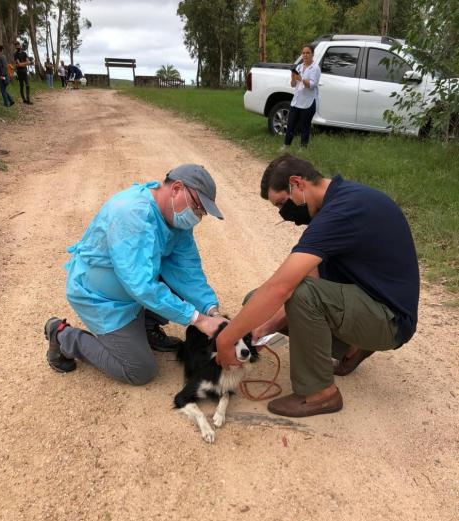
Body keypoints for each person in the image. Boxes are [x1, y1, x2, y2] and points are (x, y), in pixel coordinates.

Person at [216, 155, 420, 418]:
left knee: (300, 294)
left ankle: (321, 394)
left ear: (297, 184)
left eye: (281, 203)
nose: (283, 213)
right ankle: (353, 347)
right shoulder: (336, 204)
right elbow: (311, 277)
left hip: (390, 320)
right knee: (256, 302)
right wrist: (264, 327)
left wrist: (226, 338)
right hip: (368, 302)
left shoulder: (344, 211)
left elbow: (283, 287)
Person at [44, 164, 227, 385]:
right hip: (102, 299)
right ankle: (63, 336)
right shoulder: (131, 214)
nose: (197, 216)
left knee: (178, 287)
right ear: (177, 188)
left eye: (202, 213)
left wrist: (211, 310)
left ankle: (146, 328)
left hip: (132, 292)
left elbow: (187, 269)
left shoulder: (175, 221)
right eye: (197, 207)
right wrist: (198, 319)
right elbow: (141, 286)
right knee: (140, 370)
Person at [281, 45, 320, 150]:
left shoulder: (315, 68)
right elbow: (293, 85)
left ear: (312, 54)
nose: (305, 55)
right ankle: (286, 145)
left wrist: (301, 78)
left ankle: (303, 148)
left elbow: (312, 86)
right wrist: (293, 78)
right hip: (296, 101)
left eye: (308, 53)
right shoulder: (298, 67)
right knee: (290, 125)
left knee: (305, 127)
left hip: (308, 102)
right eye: (303, 53)